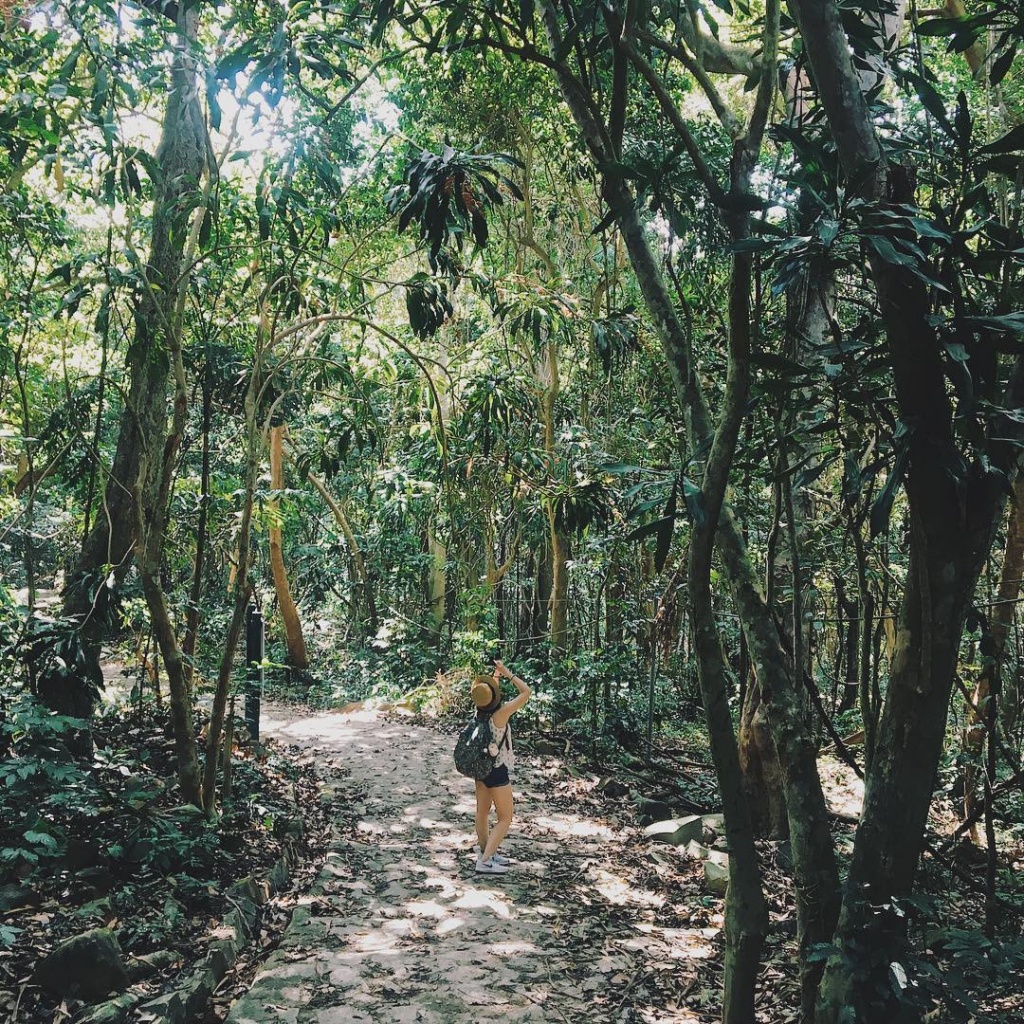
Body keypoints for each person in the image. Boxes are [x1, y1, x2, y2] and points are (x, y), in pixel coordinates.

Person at [471, 658, 531, 874]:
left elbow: (487, 695)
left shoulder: (479, 712)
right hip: (496, 770)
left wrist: (495, 675)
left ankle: (487, 852)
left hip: (481, 768)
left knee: (483, 813)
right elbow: (526, 692)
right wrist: (508, 673)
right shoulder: (501, 714)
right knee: (505, 817)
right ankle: (485, 861)